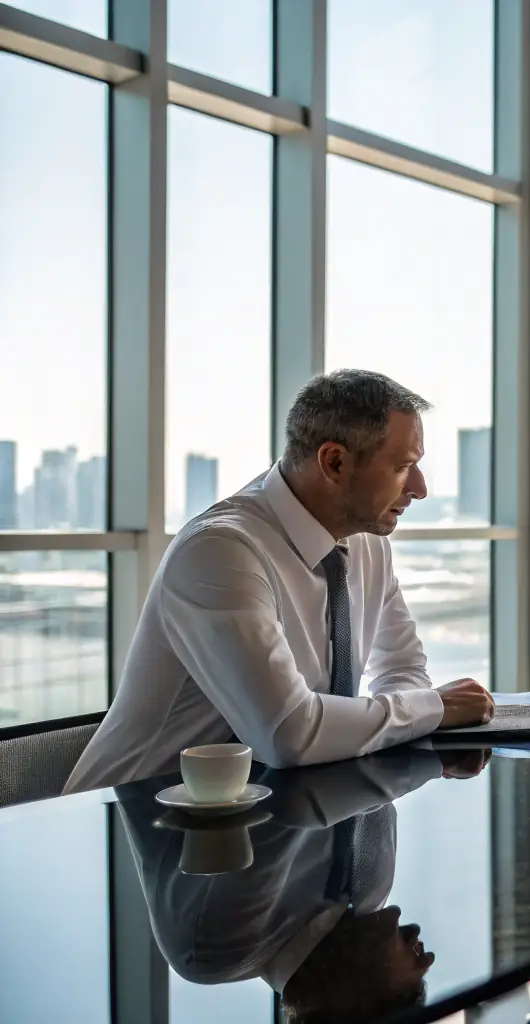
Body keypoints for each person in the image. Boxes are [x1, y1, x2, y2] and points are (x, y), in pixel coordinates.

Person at [66, 370, 494, 793]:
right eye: (403, 467)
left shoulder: (366, 543)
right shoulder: (221, 551)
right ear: (335, 462)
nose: (420, 488)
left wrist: (413, 713)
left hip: (277, 806)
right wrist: (433, 708)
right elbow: (288, 732)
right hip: (138, 813)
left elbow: (402, 669)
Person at [113, 745, 491, 1022]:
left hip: (189, 704)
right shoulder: (371, 890)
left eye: (411, 993)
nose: (428, 959)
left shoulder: (219, 945)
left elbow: (287, 792)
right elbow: (367, 752)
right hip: (300, 693)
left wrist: (429, 761)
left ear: (356, 1001)